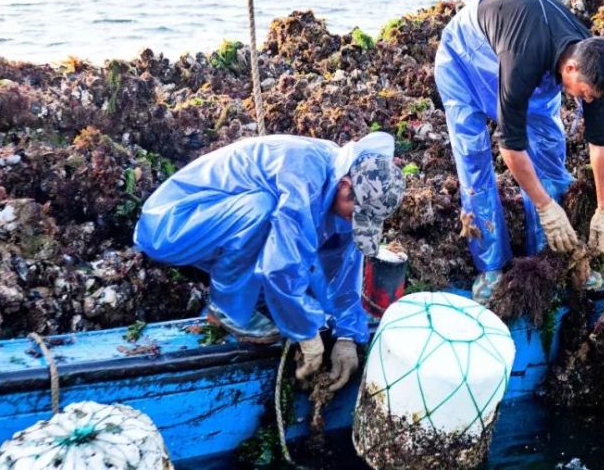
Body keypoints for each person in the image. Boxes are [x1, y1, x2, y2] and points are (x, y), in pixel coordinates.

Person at [133, 132, 404, 389]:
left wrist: (347, 335)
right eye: (355, 215)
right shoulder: (304, 173)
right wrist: (307, 334)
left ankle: (251, 295)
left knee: (299, 247)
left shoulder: (343, 190)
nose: (353, 223)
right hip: (171, 224)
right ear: (345, 187)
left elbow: (342, 267)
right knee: (262, 210)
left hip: (220, 230)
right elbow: (281, 266)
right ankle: (227, 309)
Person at [434, 0, 604, 303]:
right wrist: (545, 206)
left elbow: (600, 142)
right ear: (569, 70)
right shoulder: (524, 58)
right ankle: (491, 265)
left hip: (525, 55)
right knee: (474, 159)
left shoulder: (596, 65)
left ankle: (547, 257)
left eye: (595, 97)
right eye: (586, 95)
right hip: (465, 56)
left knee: (550, 150)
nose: (589, 101)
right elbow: (510, 145)